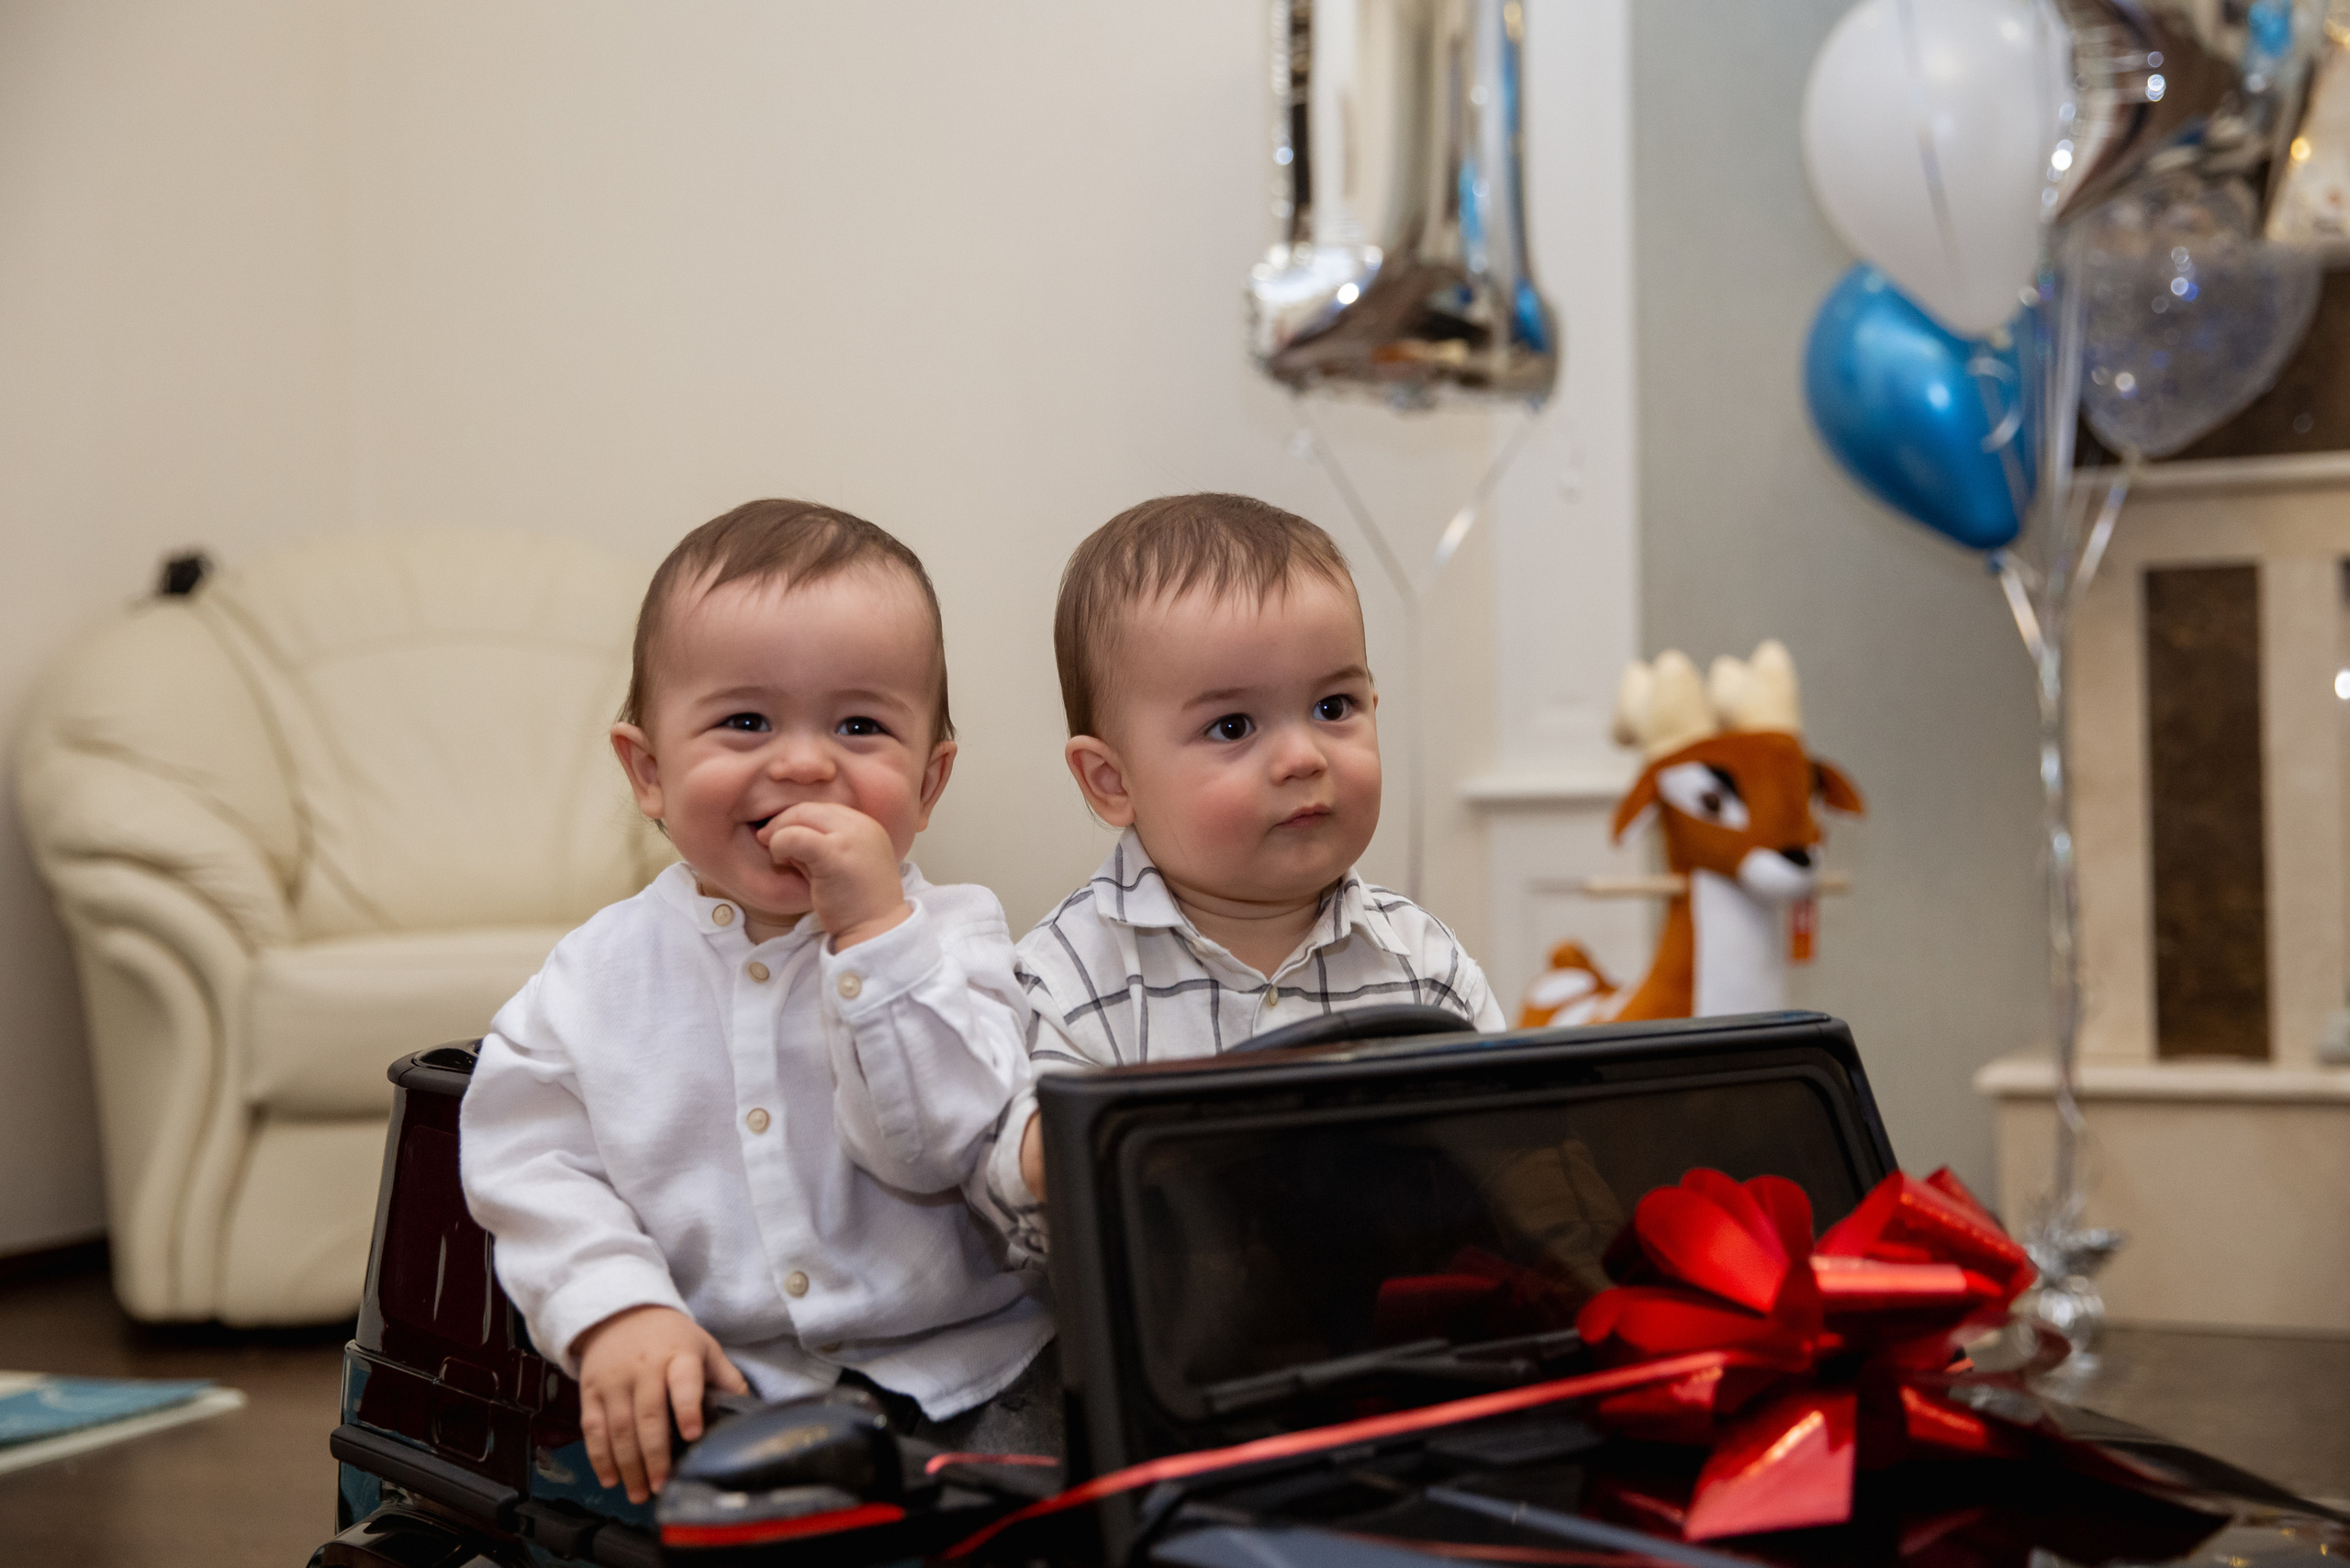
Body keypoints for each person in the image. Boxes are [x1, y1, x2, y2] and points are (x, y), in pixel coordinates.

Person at [460, 499, 1050, 1506]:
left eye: (860, 725)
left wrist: (875, 935)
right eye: (745, 721)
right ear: (648, 770)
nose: (805, 762)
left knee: (1088, 1505)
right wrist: (616, 1310)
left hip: (980, 1365)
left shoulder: (956, 937)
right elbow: (531, 1162)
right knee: (717, 1528)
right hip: (738, 1385)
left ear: (930, 777)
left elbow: (951, 1138)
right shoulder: (594, 977)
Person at [975, 493, 1518, 1265]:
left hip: (1406, 1332)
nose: (1304, 756)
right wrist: (1077, 1145)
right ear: (1110, 781)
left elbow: (1516, 1154)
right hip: (1172, 1356)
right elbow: (1010, 1199)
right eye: (1233, 726)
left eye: (1334, 706)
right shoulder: (1070, 978)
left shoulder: (1421, 962)